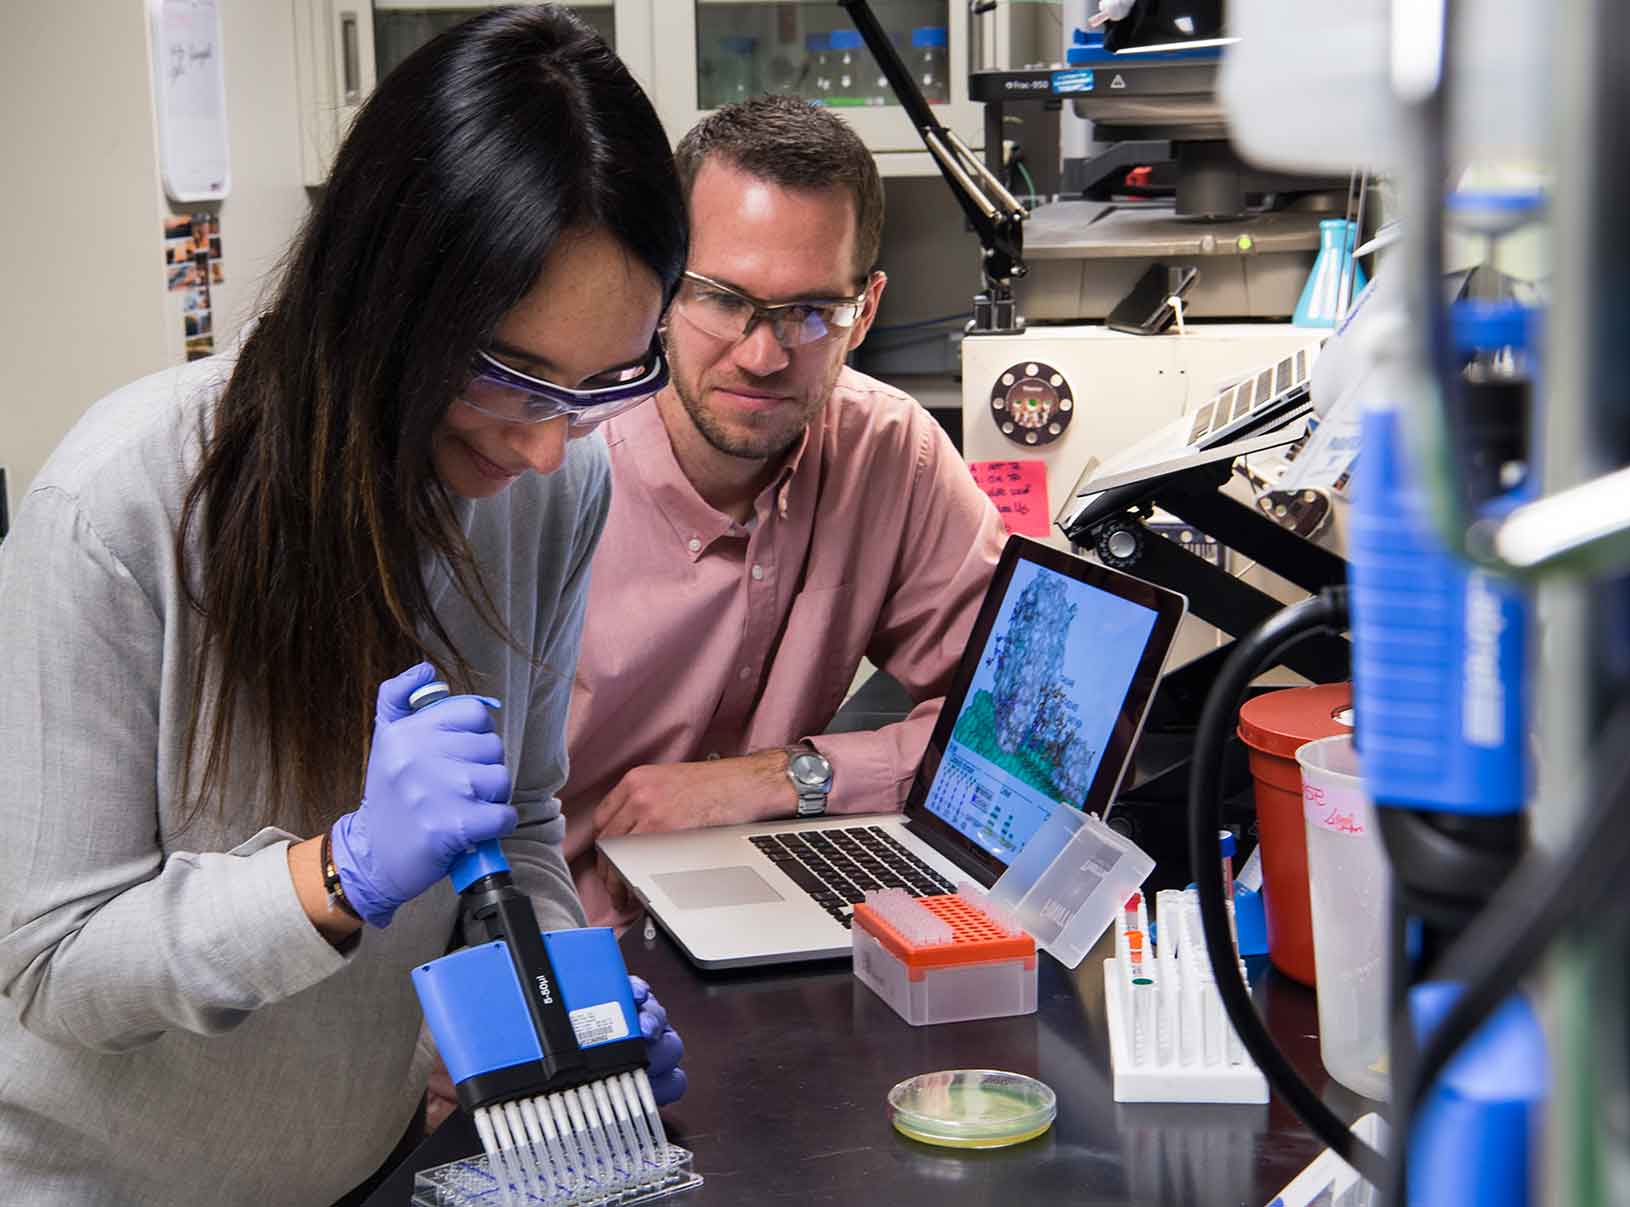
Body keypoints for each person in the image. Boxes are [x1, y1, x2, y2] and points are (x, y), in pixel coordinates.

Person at [0, 10, 687, 1206]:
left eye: (598, 385)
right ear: (385, 293)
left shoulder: (555, 484)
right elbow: (53, 966)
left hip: (362, 1163)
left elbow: (520, 816)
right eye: (509, 377)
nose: (543, 446)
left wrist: (562, 1006)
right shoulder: (118, 507)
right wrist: (340, 874)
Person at [558, 96, 1007, 926]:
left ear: (863, 313)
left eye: (810, 313)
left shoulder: (889, 452)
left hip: (766, 920)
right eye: (723, 299)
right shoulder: (548, 465)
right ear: (662, 283)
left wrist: (782, 777)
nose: (761, 356)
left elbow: (1015, 734)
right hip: (564, 941)